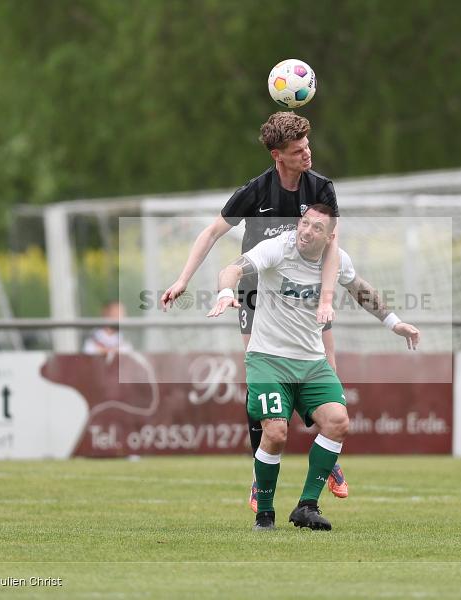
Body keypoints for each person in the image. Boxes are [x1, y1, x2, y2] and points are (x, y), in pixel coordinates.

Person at [161, 111, 349, 511]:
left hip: (306, 289)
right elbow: (212, 232)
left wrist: (328, 296)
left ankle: (328, 456)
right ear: (277, 155)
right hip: (255, 289)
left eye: (308, 146)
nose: (307, 155)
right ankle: (257, 474)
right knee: (262, 372)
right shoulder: (256, 191)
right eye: (298, 151)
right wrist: (183, 279)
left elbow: (332, 244)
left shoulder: (322, 188)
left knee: (326, 370)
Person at [207, 205, 420, 531]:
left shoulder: (337, 260)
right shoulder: (278, 248)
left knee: (338, 422)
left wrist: (395, 322)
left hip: (311, 364)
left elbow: (360, 289)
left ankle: (307, 506)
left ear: (330, 237)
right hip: (267, 360)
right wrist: (225, 291)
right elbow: (232, 269)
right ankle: (264, 514)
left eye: (316, 228)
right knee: (276, 434)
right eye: (304, 224)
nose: (306, 232)